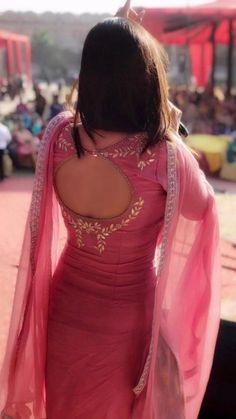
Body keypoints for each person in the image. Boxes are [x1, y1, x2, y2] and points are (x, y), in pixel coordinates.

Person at [0, 2, 221, 418]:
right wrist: (174, 134)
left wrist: (117, 36)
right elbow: (202, 207)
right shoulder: (163, 157)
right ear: (148, 80)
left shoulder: (58, 137)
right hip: (125, 326)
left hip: (64, 316)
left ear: (89, 76)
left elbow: (106, 72)